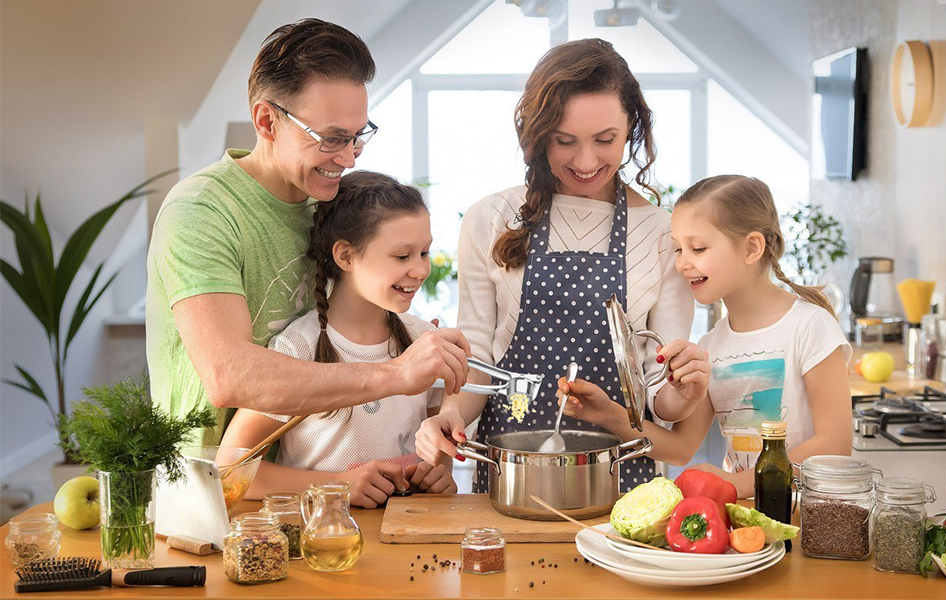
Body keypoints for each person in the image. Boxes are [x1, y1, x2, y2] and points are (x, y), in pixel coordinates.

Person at [146, 19, 469, 446]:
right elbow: (228, 375)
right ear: (266, 121)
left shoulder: (332, 202)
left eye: (358, 137)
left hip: (312, 489)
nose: (349, 159)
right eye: (332, 138)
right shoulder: (201, 211)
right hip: (209, 490)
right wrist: (396, 374)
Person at [415, 39, 703, 492]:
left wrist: (682, 395)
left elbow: (655, 393)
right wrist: (448, 414)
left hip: (621, 485)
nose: (586, 162)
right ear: (537, 134)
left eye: (605, 140)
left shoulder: (663, 235)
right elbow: (479, 363)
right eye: (564, 141)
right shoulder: (488, 219)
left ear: (632, 127)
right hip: (510, 479)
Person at [558, 175, 853, 498]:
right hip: (750, 520)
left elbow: (834, 446)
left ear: (752, 247)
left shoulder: (810, 326)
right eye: (678, 249)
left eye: (698, 248)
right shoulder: (711, 345)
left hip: (813, 520)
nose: (682, 264)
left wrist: (734, 485)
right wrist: (608, 414)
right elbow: (680, 448)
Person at [221, 172, 457, 508]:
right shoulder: (297, 350)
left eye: (424, 253)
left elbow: (435, 449)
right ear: (345, 256)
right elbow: (230, 469)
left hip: (404, 543)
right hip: (323, 540)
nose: (420, 270)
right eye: (402, 256)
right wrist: (339, 485)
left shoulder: (423, 341)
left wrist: (434, 471)